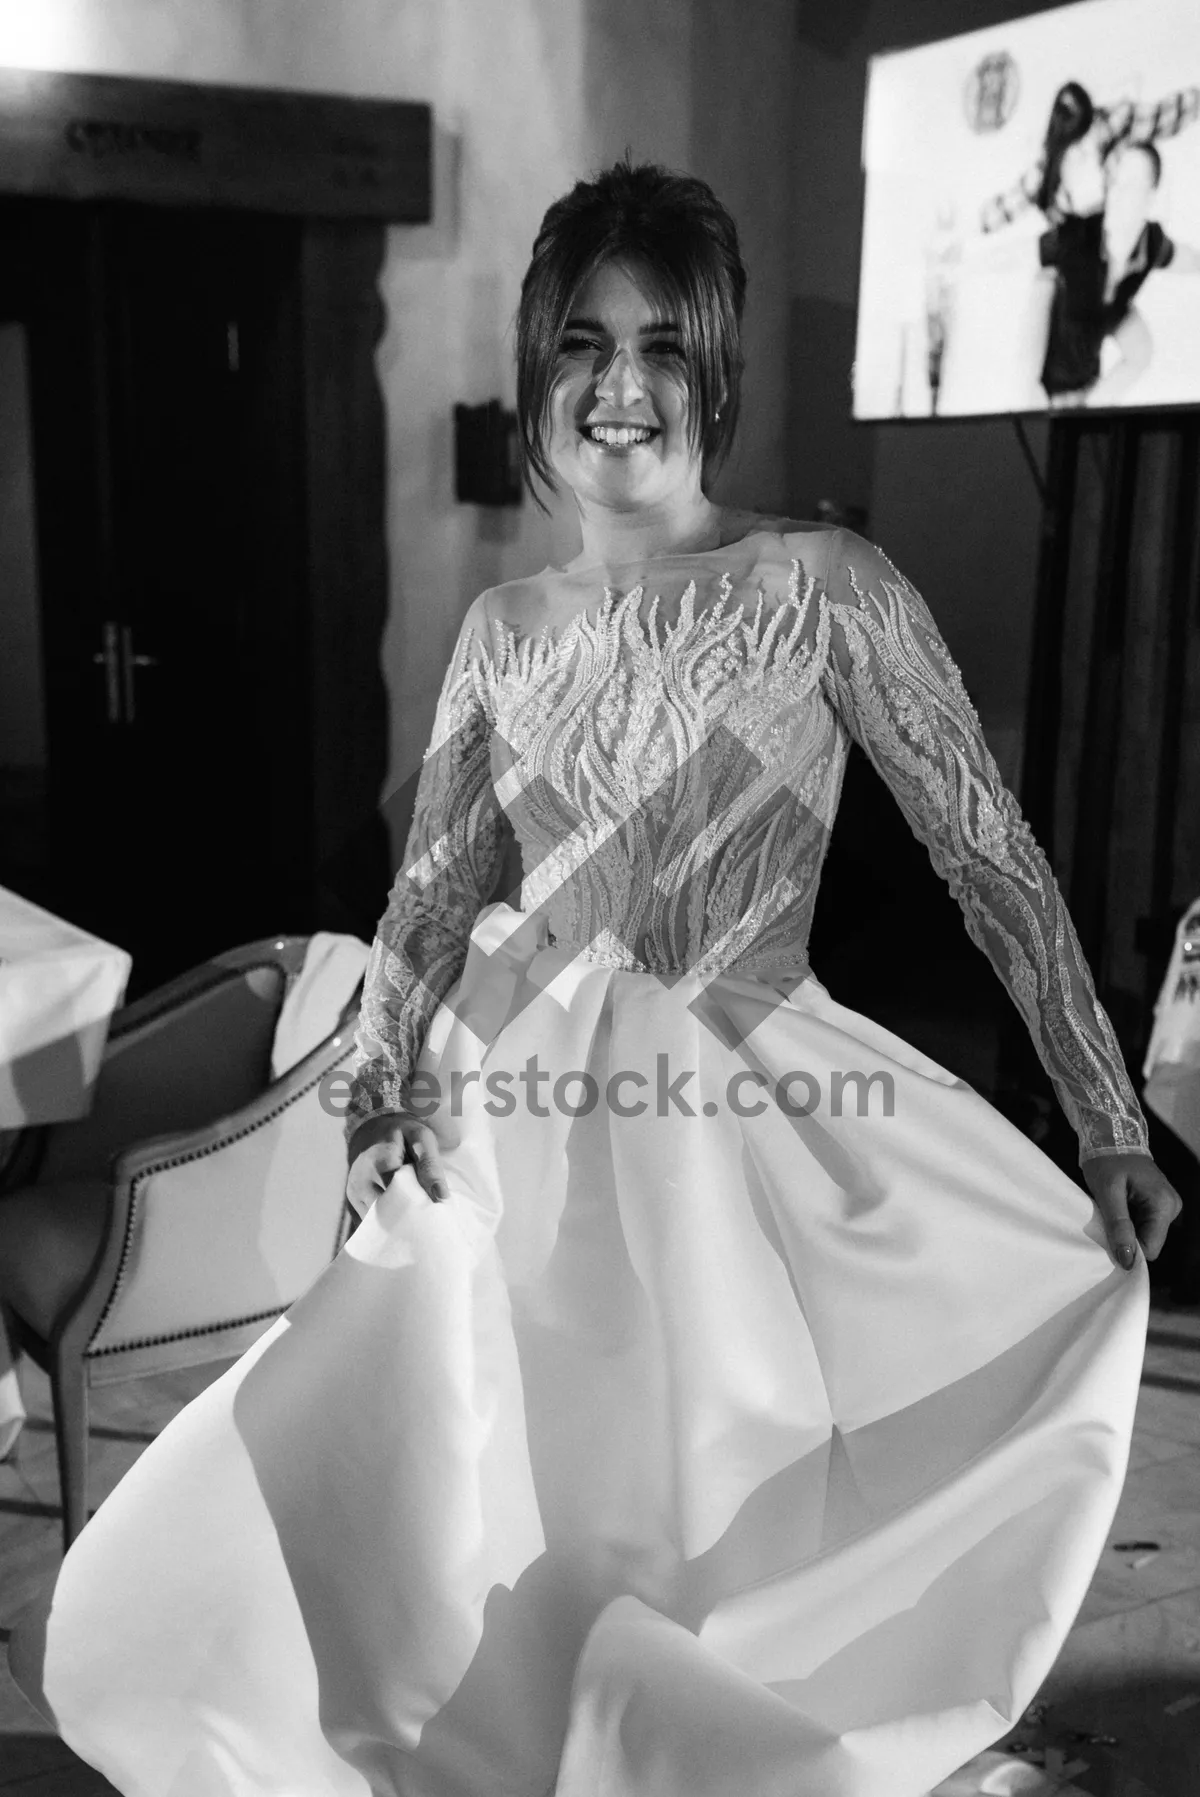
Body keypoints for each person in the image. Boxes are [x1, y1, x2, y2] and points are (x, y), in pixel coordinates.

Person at [12, 160, 1181, 1797]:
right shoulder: (501, 628)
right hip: (524, 1117)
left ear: (715, 372)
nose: (620, 382)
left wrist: (1105, 1113)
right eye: (582, 341)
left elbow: (986, 855)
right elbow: (429, 909)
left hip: (755, 1111)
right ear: (539, 365)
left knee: (717, 1520)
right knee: (506, 1529)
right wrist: (378, 1109)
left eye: (660, 344)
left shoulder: (820, 588)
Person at [1039, 139, 1200, 406]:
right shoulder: (1080, 235)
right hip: (1046, 388)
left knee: (1142, 350)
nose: (1118, 193)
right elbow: (1021, 255)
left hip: (1088, 381)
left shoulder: (1152, 243)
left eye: (1132, 185)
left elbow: (1190, 260)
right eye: (1116, 181)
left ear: (1151, 199)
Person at [980, 78, 1200, 235]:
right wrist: (981, 225)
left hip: (1116, 226)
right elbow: (1015, 198)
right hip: (1078, 239)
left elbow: (1164, 115)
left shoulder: (1114, 123)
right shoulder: (1049, 165)